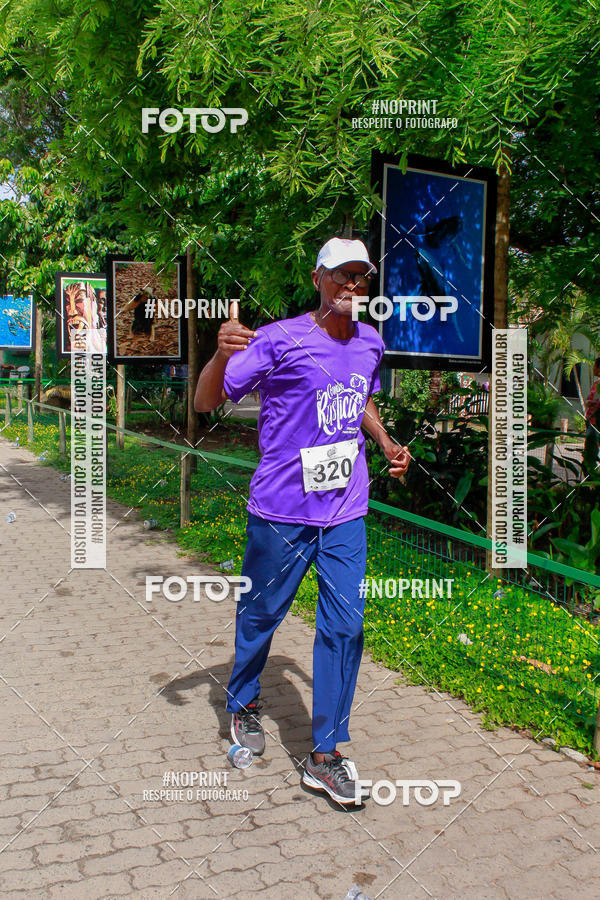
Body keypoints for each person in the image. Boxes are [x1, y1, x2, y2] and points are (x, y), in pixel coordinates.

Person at [194, 237, 411, 806]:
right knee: (260, 614)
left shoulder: (370, 342)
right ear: (317, 278)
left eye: (361, 277)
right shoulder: (278, 339)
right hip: (281, 511)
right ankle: (243, 702)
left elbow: (359, 397)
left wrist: (385, 440)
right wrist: (219, 355)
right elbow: (205, 402)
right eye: (341, 275)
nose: (352, 286)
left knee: (346, 626)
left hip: (346, 509)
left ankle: (326, 755)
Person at [583, 357, 600, 474]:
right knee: (590, 450)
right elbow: (589, 399)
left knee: (593, 449)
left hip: (597, 422)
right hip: (591, 421)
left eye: (594, 366)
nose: (593, 368)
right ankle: (590, 475)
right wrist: (589, 402)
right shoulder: (596, 384)